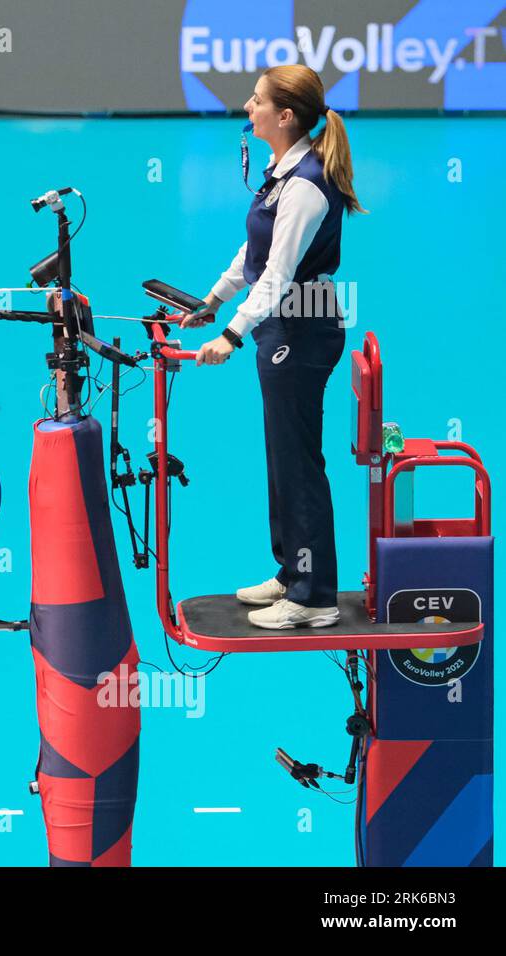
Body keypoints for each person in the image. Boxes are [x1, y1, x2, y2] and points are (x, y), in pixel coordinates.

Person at [177, 65, 365, 630]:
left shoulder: (306, 184)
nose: (247, 106)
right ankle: (291, 571)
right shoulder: (282, 173)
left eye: (257, 100)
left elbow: (278, 274)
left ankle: (314, 596)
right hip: (282, 328)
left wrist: (230, 334)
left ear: (285, 116)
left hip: (301, 331)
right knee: (282, 458)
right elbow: (255, 248)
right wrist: (213, 297)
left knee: (299, 463)